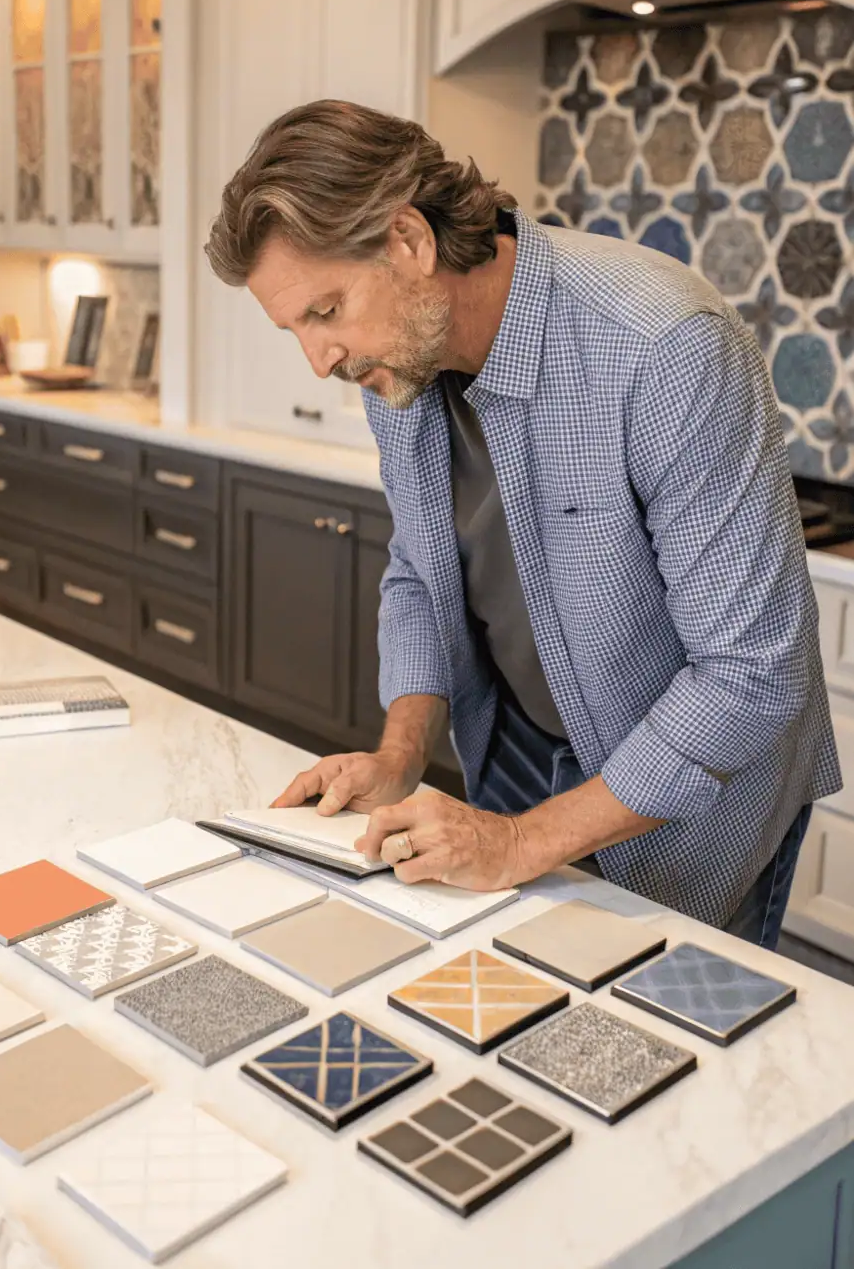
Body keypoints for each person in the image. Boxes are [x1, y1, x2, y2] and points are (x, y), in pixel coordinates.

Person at [205, 98, 842, 948]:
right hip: (511, 754)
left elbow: (751, 677)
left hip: (691, 803)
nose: (320, 360)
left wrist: (516, 843)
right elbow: (421, 572)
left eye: (324, 313)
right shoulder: (400, 361)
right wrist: (400, 757)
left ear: (408, 242)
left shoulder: (664, 348)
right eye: (296, 330)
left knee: (659, 1057)